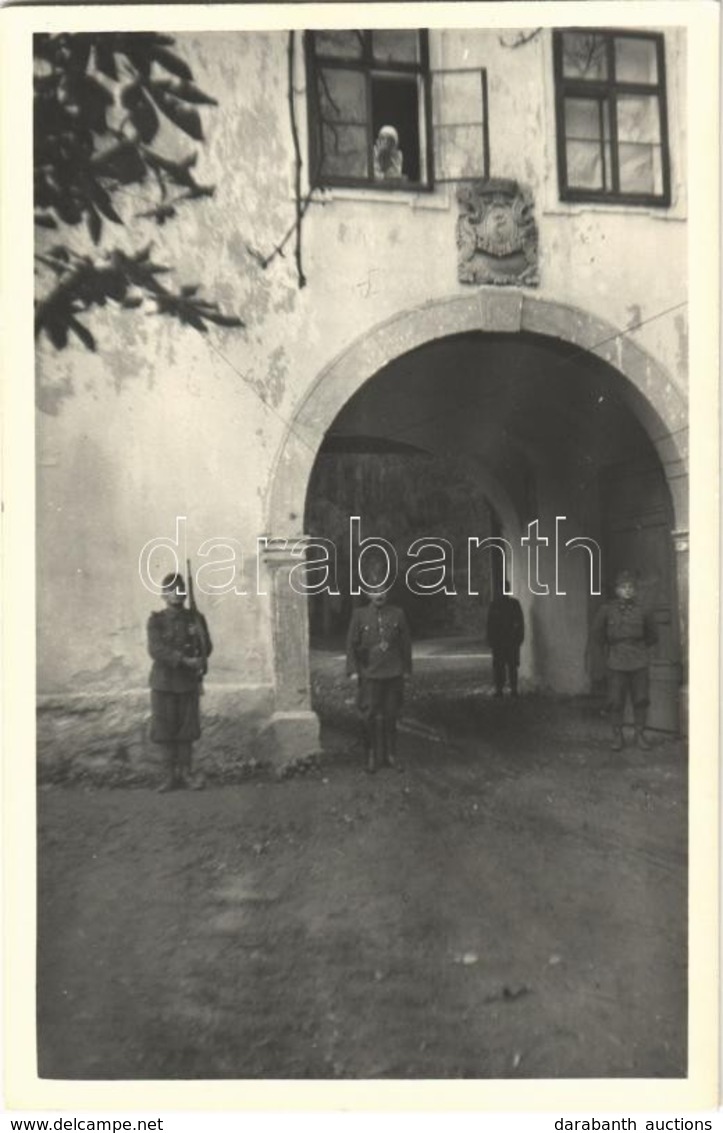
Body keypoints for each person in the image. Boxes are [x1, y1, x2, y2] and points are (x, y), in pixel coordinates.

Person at [147, 571, 212, 791]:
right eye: (170, 590)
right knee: (164, 730)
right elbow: (156, 649)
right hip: (163, 683)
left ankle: (186, 774)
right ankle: (168, 776)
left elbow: (207, 649)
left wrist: (199, 633)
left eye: (180, 590)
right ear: (163, 595)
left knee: (187, 730)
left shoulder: (196, 618)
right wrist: (184, 660)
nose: (176, 594)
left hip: (187, 684)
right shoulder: (156, 620)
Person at [346, 575, 412, 774]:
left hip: (393, 673)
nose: (379, 594)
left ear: (387, 592)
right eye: (374, 591)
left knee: (392, 715)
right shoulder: (359, 615)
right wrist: (353, 670)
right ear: (368, 594)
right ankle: (371, 756)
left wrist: (407, 669)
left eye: (382, 590)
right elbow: (351, 644)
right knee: (368, 716)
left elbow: (406, 643)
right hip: (370, 674)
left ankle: (391, 756)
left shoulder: (397, 614)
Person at [593, 569, 657, 751]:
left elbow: (653, 636)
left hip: (639, 661)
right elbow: (598, 636)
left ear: (635, 590)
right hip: (616, 662)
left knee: (641, 699)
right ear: (616, 590)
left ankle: (640, 734)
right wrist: (610, 653)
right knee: (615, 700)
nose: (627, 590)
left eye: (631, 587)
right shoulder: (606, 610)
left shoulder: (644, 610)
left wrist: (640, 650)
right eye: (623, 587)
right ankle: (617, 736)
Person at [486, 579, 525, 697]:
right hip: (501, 641)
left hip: (509, 640)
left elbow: (519, 622)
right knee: (501, 666)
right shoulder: (501, 605)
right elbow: (490, 624)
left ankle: (510, 690)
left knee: (510, 666)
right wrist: (491, 638)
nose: (503, 591)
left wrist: (519, 637)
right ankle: (502, 690)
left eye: (505, 588)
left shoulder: (511, 604)